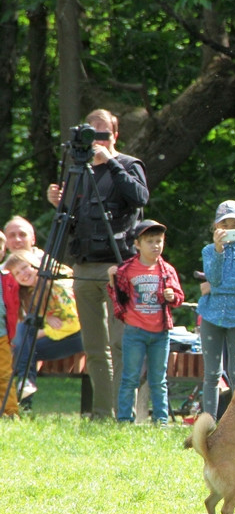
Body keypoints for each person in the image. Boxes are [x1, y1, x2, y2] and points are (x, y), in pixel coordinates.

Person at [46, 108, 149, 419]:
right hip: (85, 267)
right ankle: (102, 413)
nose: (98, 140)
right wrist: (60, 204)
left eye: (104, 134)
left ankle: (124, 413)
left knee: (121, 345)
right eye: (93, 134)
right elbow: (77, 224)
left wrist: (111, 162)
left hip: (120, 266)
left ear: (115, 135)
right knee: (94, 348)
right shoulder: (79, 173)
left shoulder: (129, 165)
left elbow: (140, 197)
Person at [106, 220, 184, 424]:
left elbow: (179, 297)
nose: (155, 245)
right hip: (135, 331)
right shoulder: (127, 269)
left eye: (159, 241)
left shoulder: (167, 270)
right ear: (138, 244)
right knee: (130, 377)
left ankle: (161, 421)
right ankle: (124, 419)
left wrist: (171, 295)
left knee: (159, 380)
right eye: (150, 241)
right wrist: (111, 279)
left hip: (161, 333)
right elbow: (117, 295)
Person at [196, 200, 235, 420]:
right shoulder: (208, 250)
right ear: (217, 227)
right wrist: (218, 251)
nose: (231, 228)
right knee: (211, 374)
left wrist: (215, 287)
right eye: (226, 223)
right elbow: (212, 277)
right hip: (211, 316)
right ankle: (208, 423)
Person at [5, 250, 83, 404]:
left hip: (80, 336)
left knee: (25, 343)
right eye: (17, 273)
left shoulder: (57, 286)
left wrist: (42, 330)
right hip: (59, 336)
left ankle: (23, 397)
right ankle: (25, 393)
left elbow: (74, 323)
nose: (23, 274)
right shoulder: (29, 292)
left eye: (25, 267)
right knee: (25, 348)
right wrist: (47, 320)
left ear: (35, 265)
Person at [0, 234, 20, 416]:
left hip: (2, 334)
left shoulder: (7, 279)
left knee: (5, 373)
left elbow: (13, 307)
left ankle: (10, 411)